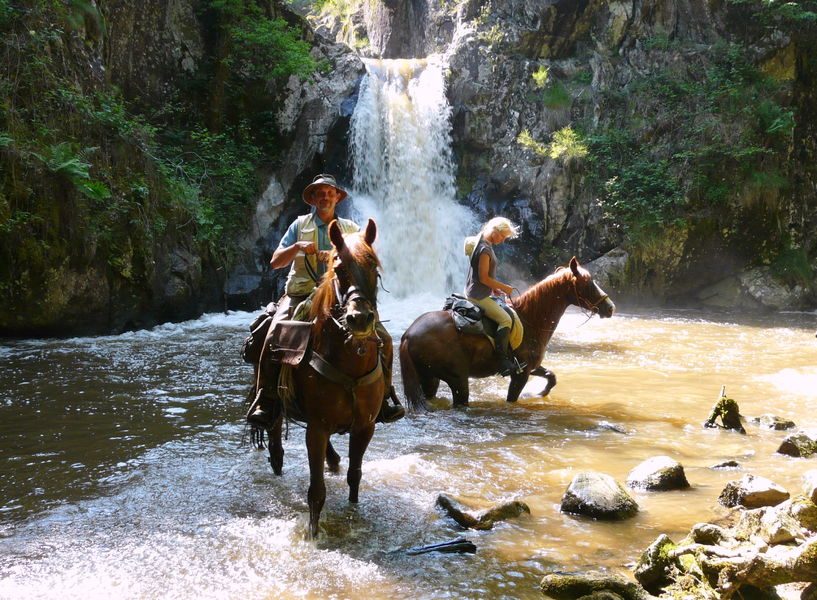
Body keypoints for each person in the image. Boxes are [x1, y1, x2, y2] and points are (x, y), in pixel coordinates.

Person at [247, 174, 405, 425]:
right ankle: (266, 399)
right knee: (273, 333)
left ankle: (385, 396)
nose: (325, 197)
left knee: (384, 339)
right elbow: (276, 261)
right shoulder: (299, 226)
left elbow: (364, 261)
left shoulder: (351, 230)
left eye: (329, 193)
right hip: (300, 293)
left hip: (339, 296)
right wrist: (298, 247)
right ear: (312, 198)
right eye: (319, 193)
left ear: (337, 198)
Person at [464, 217, 524, 376]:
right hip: (478, 295)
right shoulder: (484, 249)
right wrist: (504, 287)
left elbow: (479, 276)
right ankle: (502, 362)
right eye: (503, 237)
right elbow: (483, 278)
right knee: (505, 319)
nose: (503, 241)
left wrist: (494, 289)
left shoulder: (480, 241)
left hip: (475, 290)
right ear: (495, 231)